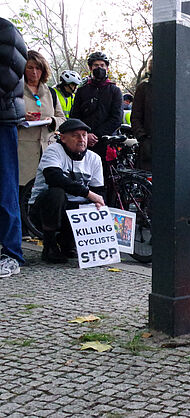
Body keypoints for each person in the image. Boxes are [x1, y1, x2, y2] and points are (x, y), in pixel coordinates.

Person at [29, 119, 105, 264]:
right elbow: (54, 178)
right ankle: (49, 245)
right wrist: (88, 193)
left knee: (96, 203)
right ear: (63, 138)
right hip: (45, 208)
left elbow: (98, 191)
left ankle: (68, 242)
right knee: (56, 193)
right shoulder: (53, 151)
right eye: (75, 135)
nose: (81, 139)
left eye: (84, 135)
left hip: (76, 211)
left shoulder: (94, 159)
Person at [0, 17, 27, 277]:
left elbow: (8, 75)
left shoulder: (5, 30)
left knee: (6, 188)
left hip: (3, 120)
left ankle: (11, 254)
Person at [17, 50, 66, 189]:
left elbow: (62, 118)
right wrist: (22, 117)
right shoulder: (15, 90)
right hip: (22, 152)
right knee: (23, 191)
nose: (34, 72)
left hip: (48, 150)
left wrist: (52, 120)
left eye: (38, 68)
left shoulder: (51, 93)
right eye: (30, 67)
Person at [69, 51, 123, 165]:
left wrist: (96, 135)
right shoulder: (82, 90)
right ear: (90, 68)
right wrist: (85, 135)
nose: (99, 68)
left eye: (102, 65)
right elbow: (75, 116)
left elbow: (117, 118)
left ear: (107, 68)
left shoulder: (115, 91)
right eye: (96, 65)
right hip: (83, 141)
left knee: (107, 177)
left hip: (106, 141)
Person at [131, 57, 152, 171]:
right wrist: (143, 138)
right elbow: (135, 117)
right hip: (148, 145)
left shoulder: (173, 89)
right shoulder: (143, 89)